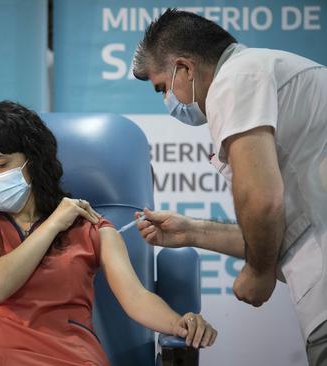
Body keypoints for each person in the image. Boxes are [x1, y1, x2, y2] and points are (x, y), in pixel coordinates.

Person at [0, 100, 216, 365]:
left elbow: (136, 298)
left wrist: (180, 324)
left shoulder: (91, 227)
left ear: (34, 161)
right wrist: (53, 224)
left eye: (0, 164)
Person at [132, 8, 327, 365]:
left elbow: (262, 201)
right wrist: (192, 231)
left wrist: (258, 272)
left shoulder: (235, 78)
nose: (167, 102)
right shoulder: (258, 73)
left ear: (185, 68)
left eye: (163, 87)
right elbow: (273, 232)